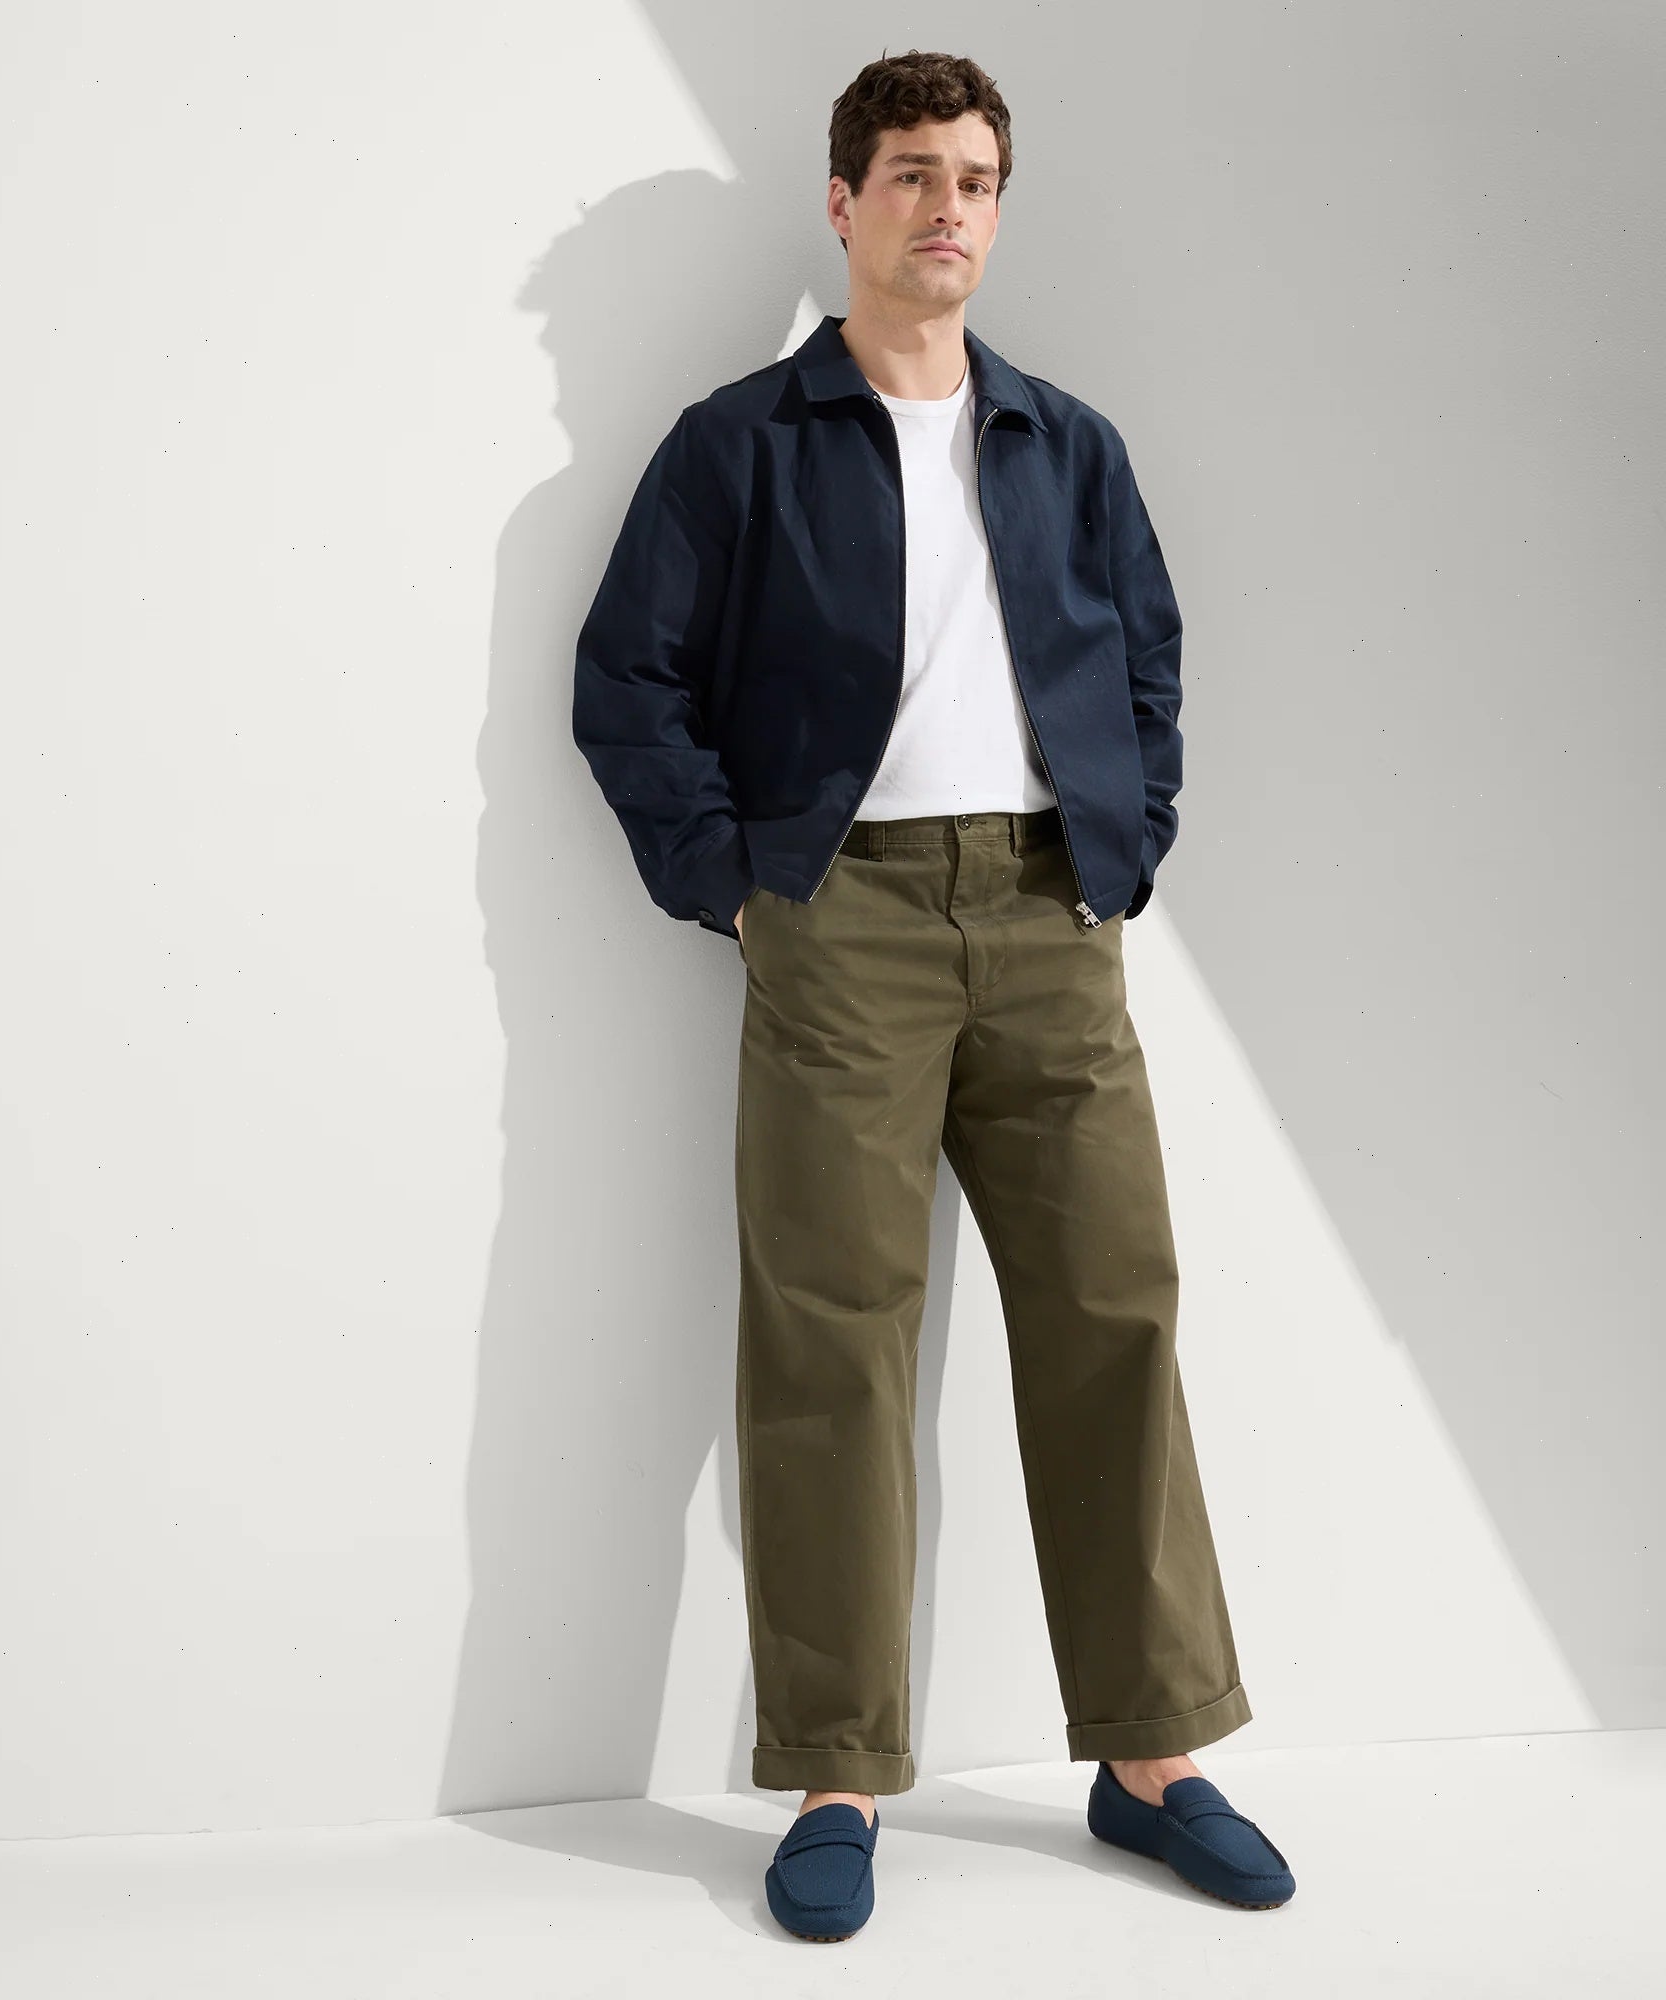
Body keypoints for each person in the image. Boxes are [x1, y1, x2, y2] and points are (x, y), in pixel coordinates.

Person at [572, 50, 1295, 1940]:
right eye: (909, 173)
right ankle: (837, 1774)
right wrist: (740, 889)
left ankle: (1151, 1757)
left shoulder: (1065, 441)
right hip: (845, 920)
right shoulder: (741, 444)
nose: (946, 206)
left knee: (1113, 1315)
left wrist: (1125, 843)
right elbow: (627, 678)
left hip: (1055, 916)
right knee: (833, 1339)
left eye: (973, 177)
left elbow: (1148, 659)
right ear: (843, 203)